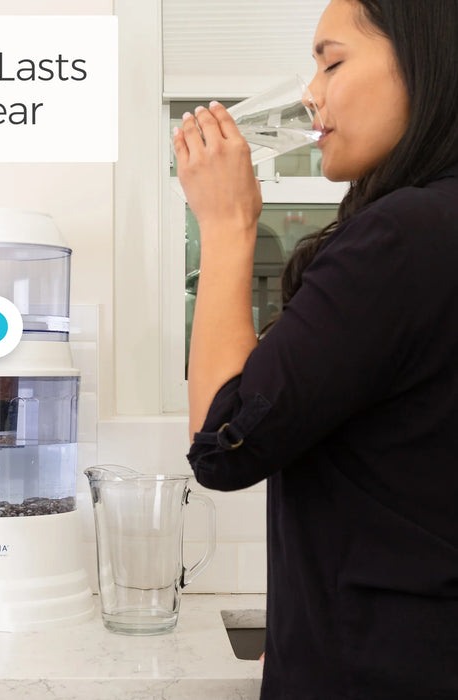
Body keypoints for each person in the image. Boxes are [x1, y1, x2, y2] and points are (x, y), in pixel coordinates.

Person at [172, 0, 458, 697]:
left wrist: (228, 224)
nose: (311, 93)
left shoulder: (404, 236)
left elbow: (226, 444)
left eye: (332, 61)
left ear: (426, 63)